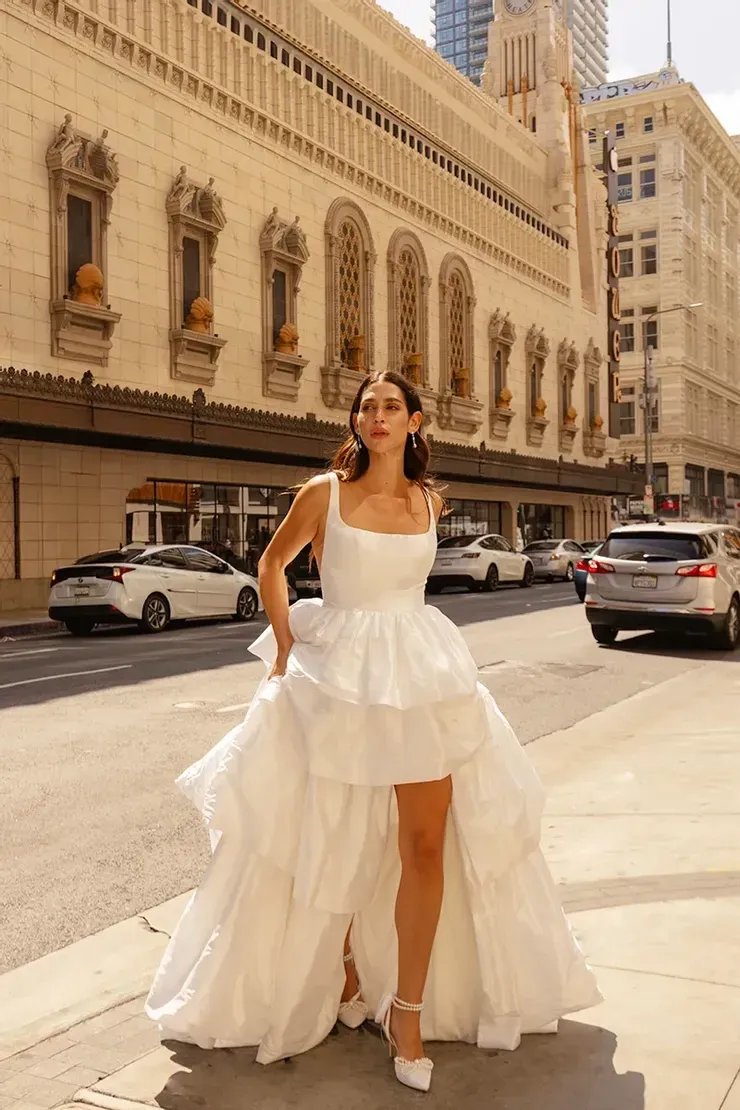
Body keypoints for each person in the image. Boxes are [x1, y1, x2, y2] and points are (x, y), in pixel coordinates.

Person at [145, 371, 601, 1093]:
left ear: (416, 422)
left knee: (425, 842)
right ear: (356, 422)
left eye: (391, 407)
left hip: (419, 673)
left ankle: (407, 1012)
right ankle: (350, 974)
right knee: (340, 835)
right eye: (367, 406)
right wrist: (287, 646)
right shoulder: (323, 493)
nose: (377, 416)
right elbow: (272, 565)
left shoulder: (429, 501)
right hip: (339, 679)